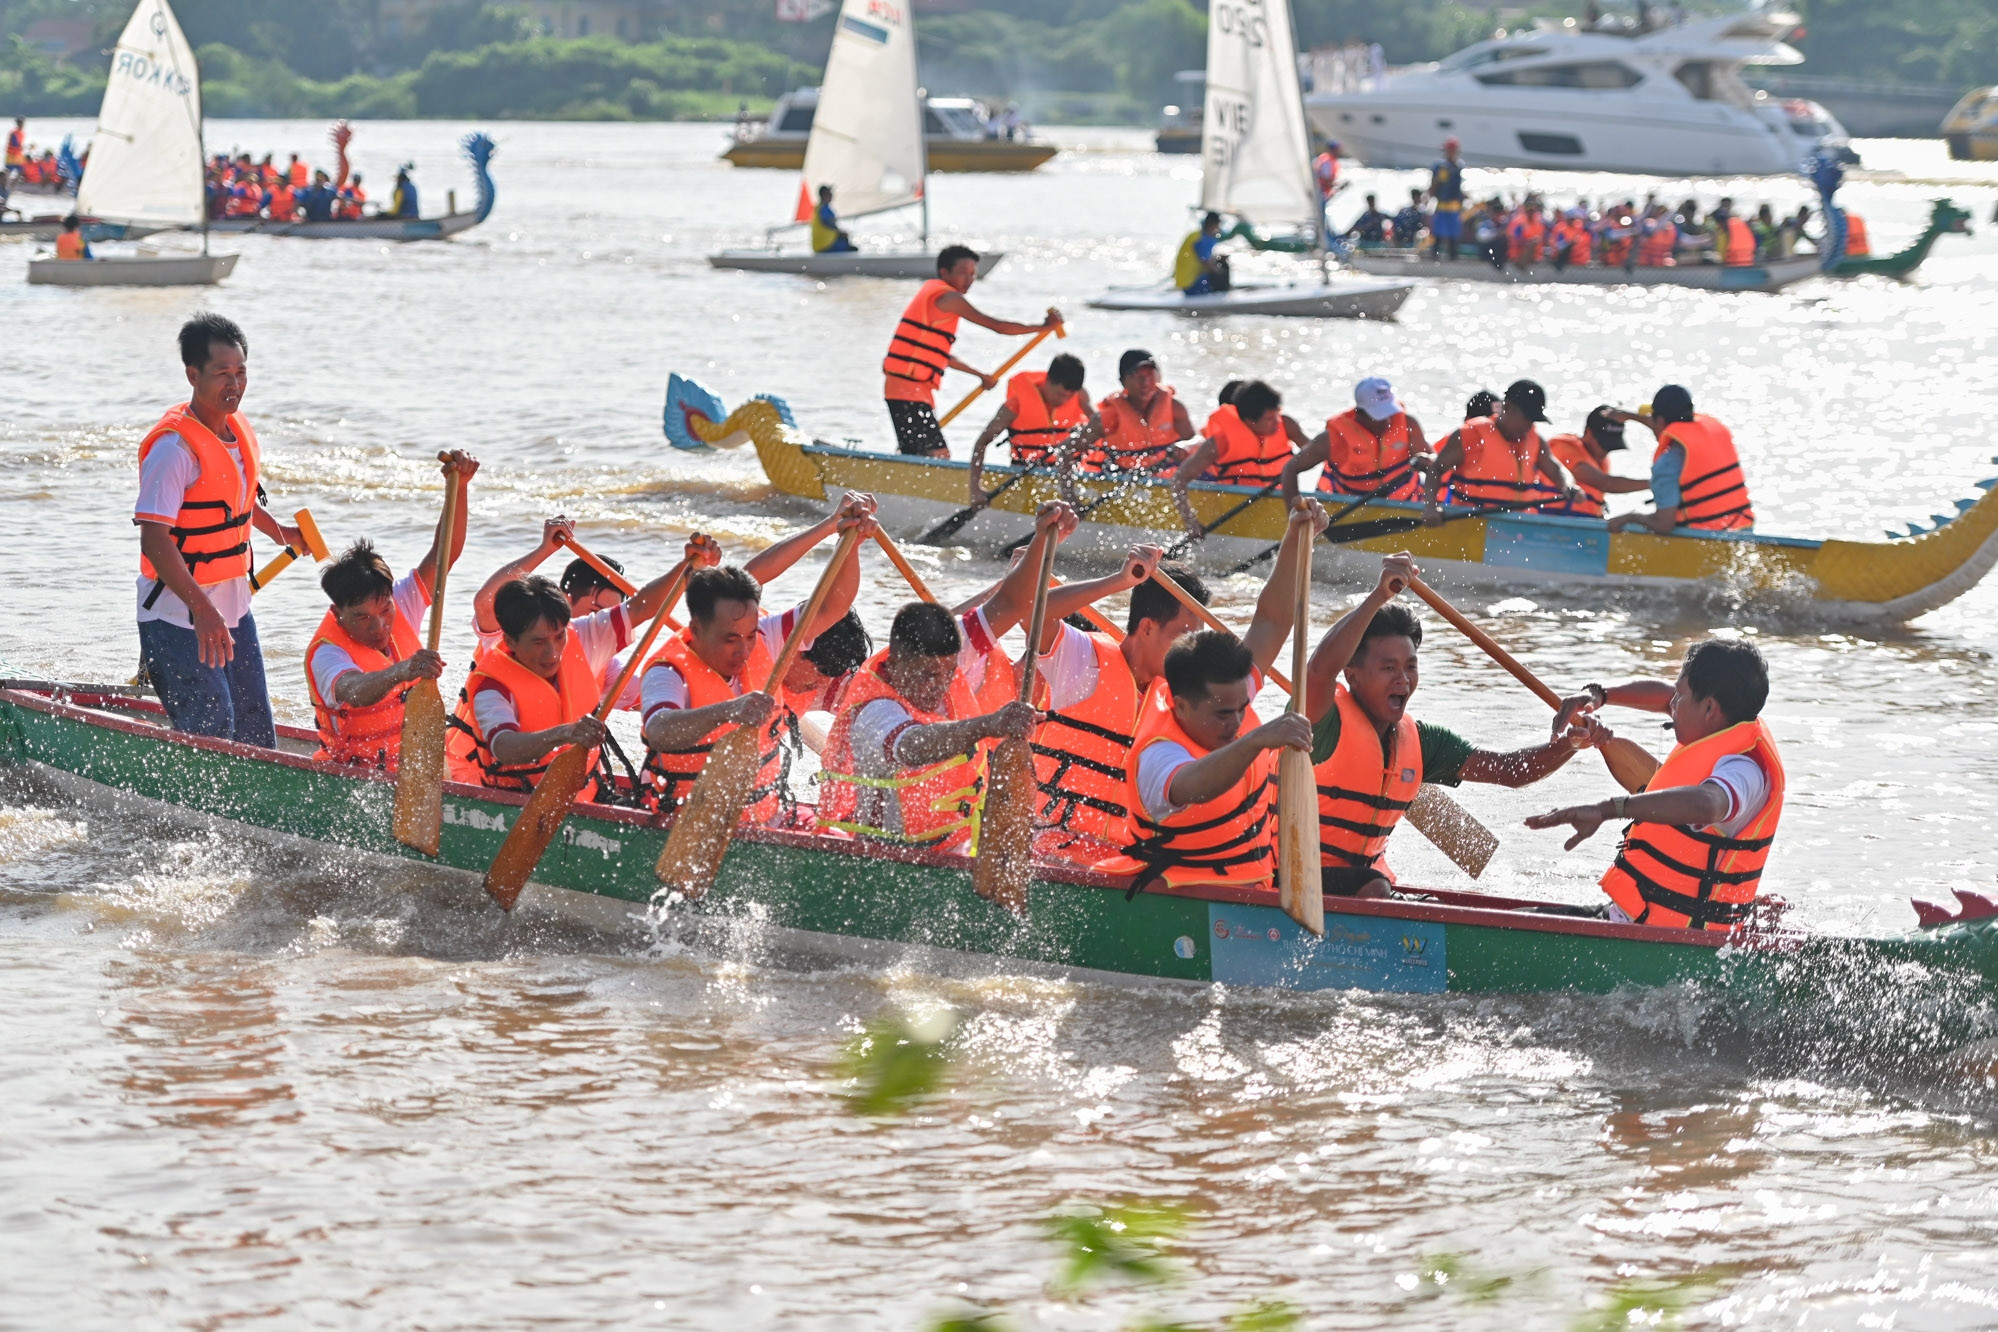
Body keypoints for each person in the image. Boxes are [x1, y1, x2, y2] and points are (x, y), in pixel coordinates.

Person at [1303, 554, 1606, 898]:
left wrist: (1569, 744)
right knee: (1374, 887)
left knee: (1381, 888)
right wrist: (1378, 597)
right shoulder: (1322, 719)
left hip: (1364, 889)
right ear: (1352, 676)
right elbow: (1318, 670)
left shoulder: (1422, 742)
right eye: (1388, 668)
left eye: (1410, 667)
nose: (1403, 680)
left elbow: (1510, 771)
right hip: (1291, 882)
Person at [1093, 503, 1327, 894]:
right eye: (1222, 715)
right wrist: (1257, 740)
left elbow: (1272, 621)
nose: (1235, 723)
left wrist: (1296, 540)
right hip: (1180, 907)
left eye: (1240, 711)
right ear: (1181, 705)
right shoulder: (1158, 753)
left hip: (1251, 893)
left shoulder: (1226, 694)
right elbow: (1194, 786)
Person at [815, 504, 1079, 851]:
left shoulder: (946, 652)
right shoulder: (874, 710)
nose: (937, 685)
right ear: (894, 665)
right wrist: (989, 724)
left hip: (952, 846)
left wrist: (1044, 540)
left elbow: (1012, 603)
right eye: (925, 675)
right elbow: (913, 746)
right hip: (886, 858)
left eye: (947, 673)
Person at [638, 493, 876, 817]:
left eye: (750, 635)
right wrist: (730, 710)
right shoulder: (667, 672)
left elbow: (832, 606)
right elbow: (660, 730)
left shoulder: (763, 639)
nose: (744, 649)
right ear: (695, 627)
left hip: (763, 815)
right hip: (684, 818)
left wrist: (846, 540)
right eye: (730, 638)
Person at [1528, 638, 1785, 932]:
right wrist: (1598, 696)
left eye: (1680, 696)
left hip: (1670, 939)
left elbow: (1709, 804)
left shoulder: (1744, 771)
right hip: (1636, 919)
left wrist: (1608, 809)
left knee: (1516, 931)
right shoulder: (1723, 721)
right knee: (1525, 916)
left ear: (1710, 708)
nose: (1671, 705)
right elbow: (1664, 697)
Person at [136, 315, 304, 748]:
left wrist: (279, 532)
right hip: (177, 616)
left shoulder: (236, 430)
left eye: (241, 372)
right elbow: (154, 540)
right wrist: (202, 611)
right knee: (212, 730)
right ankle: (190, 815)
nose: (234, 384)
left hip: (233, 609)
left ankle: (256, 815)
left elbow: (235, 506)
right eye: (222, 374)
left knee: (255, 731)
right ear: (193, 375)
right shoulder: (173, 450)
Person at [445, 550, 696, 796]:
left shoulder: (583, 635)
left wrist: (687, 568)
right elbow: (504, 746)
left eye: (558, 637)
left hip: (575, 791)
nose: (552, 653)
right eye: (538, 643)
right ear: (510, 641)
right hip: (491, 786)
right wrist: (565, 733)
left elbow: (642, 607)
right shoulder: (492, 683)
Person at [1025, 545, 1211, 864]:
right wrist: (1119, 581)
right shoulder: (1084, 661)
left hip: (1126, 865)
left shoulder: (1178, 701)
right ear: (1147, 628)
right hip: (1051, 853)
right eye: (1184, 639)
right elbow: (1032, 613)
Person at [303, 452, 477, 768]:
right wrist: (402, 671)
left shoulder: (401, 601)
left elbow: (444, 555)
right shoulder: (326, 654)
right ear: (338, 612)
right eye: (363, 618)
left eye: (385, 610)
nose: (380, 626)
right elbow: (353, 690)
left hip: (410, 766)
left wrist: (461, 486)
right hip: (355, 771)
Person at [882, 245, 1062, 458]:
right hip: (907, 390)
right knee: (937, 455)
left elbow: (940, 356)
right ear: (944, 273)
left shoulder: (936, 302)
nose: (969, 279)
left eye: (973, 274)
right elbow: (997, 326)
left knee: (918, 455)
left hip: (911, 389)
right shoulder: (949, 299)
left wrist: (979, 375)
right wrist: (1042, 327)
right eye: (962, 273)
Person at [1422, 379, 1579, 521]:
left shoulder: (1536, 440)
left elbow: (1557, 469)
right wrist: (1430, 507)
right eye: (1526, 417)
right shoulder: (1470, 435)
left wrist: (1569, 485)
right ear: (1507, 407)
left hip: (1519, 528)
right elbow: (1436, 469)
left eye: (1533, 419)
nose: (1529, 425)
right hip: (1473, 524)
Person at [1604, 385, 1754, 533]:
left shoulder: (1666, 465)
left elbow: (1663, 524)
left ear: (1660, 421)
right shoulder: (1713, 434)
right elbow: (1664, 424)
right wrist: (1630, 416)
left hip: (1704, 541)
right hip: (1742, 529)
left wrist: (1631, 517)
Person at [965, 353, 1098, 504]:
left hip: (1068, 475)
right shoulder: (1016, 403)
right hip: (1024, 475)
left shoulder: (1081, 397)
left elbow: (1102, 426)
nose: (1063, 401)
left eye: (1069, 396)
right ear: (1047, 380)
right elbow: (981, 442)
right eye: (1060, 394)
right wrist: (975, 490)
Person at [1173, 380, 1295, 538]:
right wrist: (1190, 521)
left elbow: (1315, 453)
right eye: (1270, 419)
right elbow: (1178, 479)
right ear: (1250, 421)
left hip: (1278, 506)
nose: (1278, 423)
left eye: (1277, 415)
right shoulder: (1219, 442)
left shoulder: (1287, 425)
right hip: (1234, 510)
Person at [1282, 376, 1428, 504]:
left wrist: (1427, 462)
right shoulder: (1333, 438)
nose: (1387, 421)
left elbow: (1435, 465)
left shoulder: (1408, 424)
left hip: (1404, 505)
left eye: (1389, 412)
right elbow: (1290, 469)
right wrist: (1295, 516)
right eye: (1379, 415)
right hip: (1346, 507)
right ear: (1359, 413)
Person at [1073, 348, 1193, 476]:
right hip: (1120, 480)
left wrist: (1186, 446)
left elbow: (1197, 442)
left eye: (1149, 374)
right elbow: (1066, 451)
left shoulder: (1174, 407)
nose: (1145, 383)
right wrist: (1070, 495)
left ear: (1159, 376)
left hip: (1167, 481)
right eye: (1136, 376)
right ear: (1123, 382)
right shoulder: (1109, 416)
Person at [1543, 406, 1648, 518]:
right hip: (1551, 523)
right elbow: (1605, 483)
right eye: (1604, 444)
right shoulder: (1564, 447)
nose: (1605, 452)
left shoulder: (1601, 461)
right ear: (1588, 432)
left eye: (1611, 447)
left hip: (1584, 526)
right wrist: (1655, 483)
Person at [1424, 137, 1466, 260]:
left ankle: (1453, 261)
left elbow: (1458, 189)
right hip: (1442, 207)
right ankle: (1434, 260)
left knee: (1454, 237)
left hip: (1454, 209)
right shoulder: (1439, 167)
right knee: (1438, 236)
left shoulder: (1458, 167)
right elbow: (1433, 186)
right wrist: (1427, 201)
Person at [1174, 211, 1231, 296]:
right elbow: (1206, 264)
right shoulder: (1201, 239)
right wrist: (1222, 274)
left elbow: (1204, 259)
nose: (1219, 229)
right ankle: (1225, 291)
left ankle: (1225, 288)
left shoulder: (1196, 235)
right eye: (1218, 226)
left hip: (1187, 284)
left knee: (1219, 263)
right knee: (1223, 266)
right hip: (1191, 287)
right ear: (1213, 225)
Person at [808, 184, 855, 254]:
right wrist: (840, 233)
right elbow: (827, 222)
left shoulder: (818, 207)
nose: (832, 195)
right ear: (824, 195)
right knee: (851, 248)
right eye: (829, 193)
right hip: (825, 245)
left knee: (846, 242)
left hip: (822, 244)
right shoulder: (823, 208)